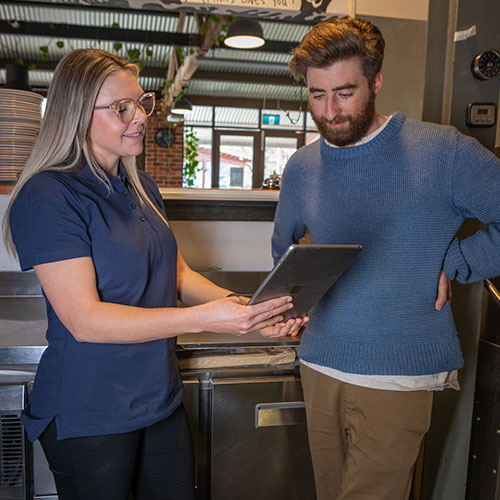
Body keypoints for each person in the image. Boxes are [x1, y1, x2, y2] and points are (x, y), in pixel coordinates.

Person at [2, 48, 306, 500]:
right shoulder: (48, 196)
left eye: (141, 102)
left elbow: (177, 274)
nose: (140, 116)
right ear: (77, 115)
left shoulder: (140, 185)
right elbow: (84, 320)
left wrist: (251, 308)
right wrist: (208, 319)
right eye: (121, 108)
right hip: (91, 411)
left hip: (157, 400)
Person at [272, 16, 500, 500]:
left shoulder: (443, 152)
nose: (330, 111)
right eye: (317, 95)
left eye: (345, 92)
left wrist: (457, 261)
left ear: (375, 82)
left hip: (397, 373)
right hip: (320, 364)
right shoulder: (301, 167)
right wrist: (295, 302)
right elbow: (283, 253)